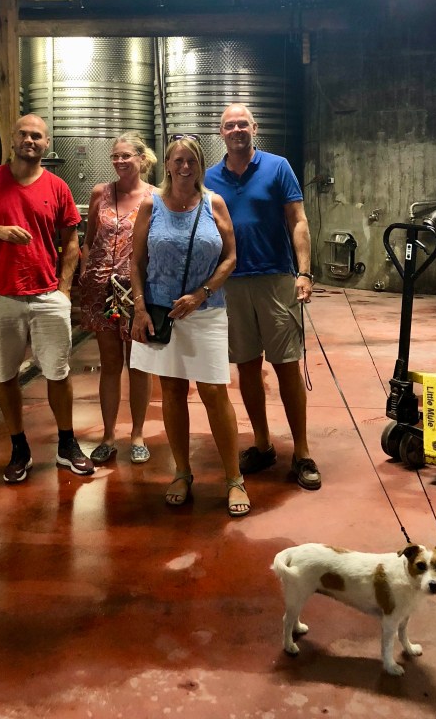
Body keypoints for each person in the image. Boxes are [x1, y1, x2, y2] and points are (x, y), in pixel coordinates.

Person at [0, 113, 94, 483]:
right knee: (5, 375)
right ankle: (19, 448)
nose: (30, 141)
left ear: (46, 144)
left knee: (58, 373)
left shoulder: (58, 187)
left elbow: (71, 242)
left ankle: (67, 444)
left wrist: (64, 291)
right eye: (24, 134)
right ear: (13, 140)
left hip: (47, 295)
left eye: (37, 136)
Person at [129, 135, 250, 517]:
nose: (184, 167)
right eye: (178, 160)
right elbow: (136, 261)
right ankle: (182, 472)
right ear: (167, 164)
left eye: (191, 161)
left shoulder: (214, 203)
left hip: (206, 311)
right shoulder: (151, 205)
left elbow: (230, 258)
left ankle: (234, 478)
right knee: (172, 391)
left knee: (214, 391)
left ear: (200, 166)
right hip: (162, 312)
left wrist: (201, 294)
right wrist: (140, 308)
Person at [204, 103, 320, 491]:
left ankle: (301, 451)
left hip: (276, 278)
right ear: (221, 132)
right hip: (231, 283)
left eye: (243, 124)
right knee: (247, 366)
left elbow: (297, 220)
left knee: (287, 365)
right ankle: (262, 443)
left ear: (254, 128)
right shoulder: (209, 178)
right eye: (229, 125)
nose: (236, 130)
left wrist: (303, 272)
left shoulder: (277, 167)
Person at [79, 132, 156, 465]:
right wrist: (86, 274)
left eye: (126, 155)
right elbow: (89, 239)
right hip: (100, 291)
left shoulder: (155, 196)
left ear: (141, 158)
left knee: (138, 364)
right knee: (109, 364)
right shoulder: (101, 193)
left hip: (136, 290)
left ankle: (137, 434)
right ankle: (108, 436)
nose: (120, 161)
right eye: (116, 156)